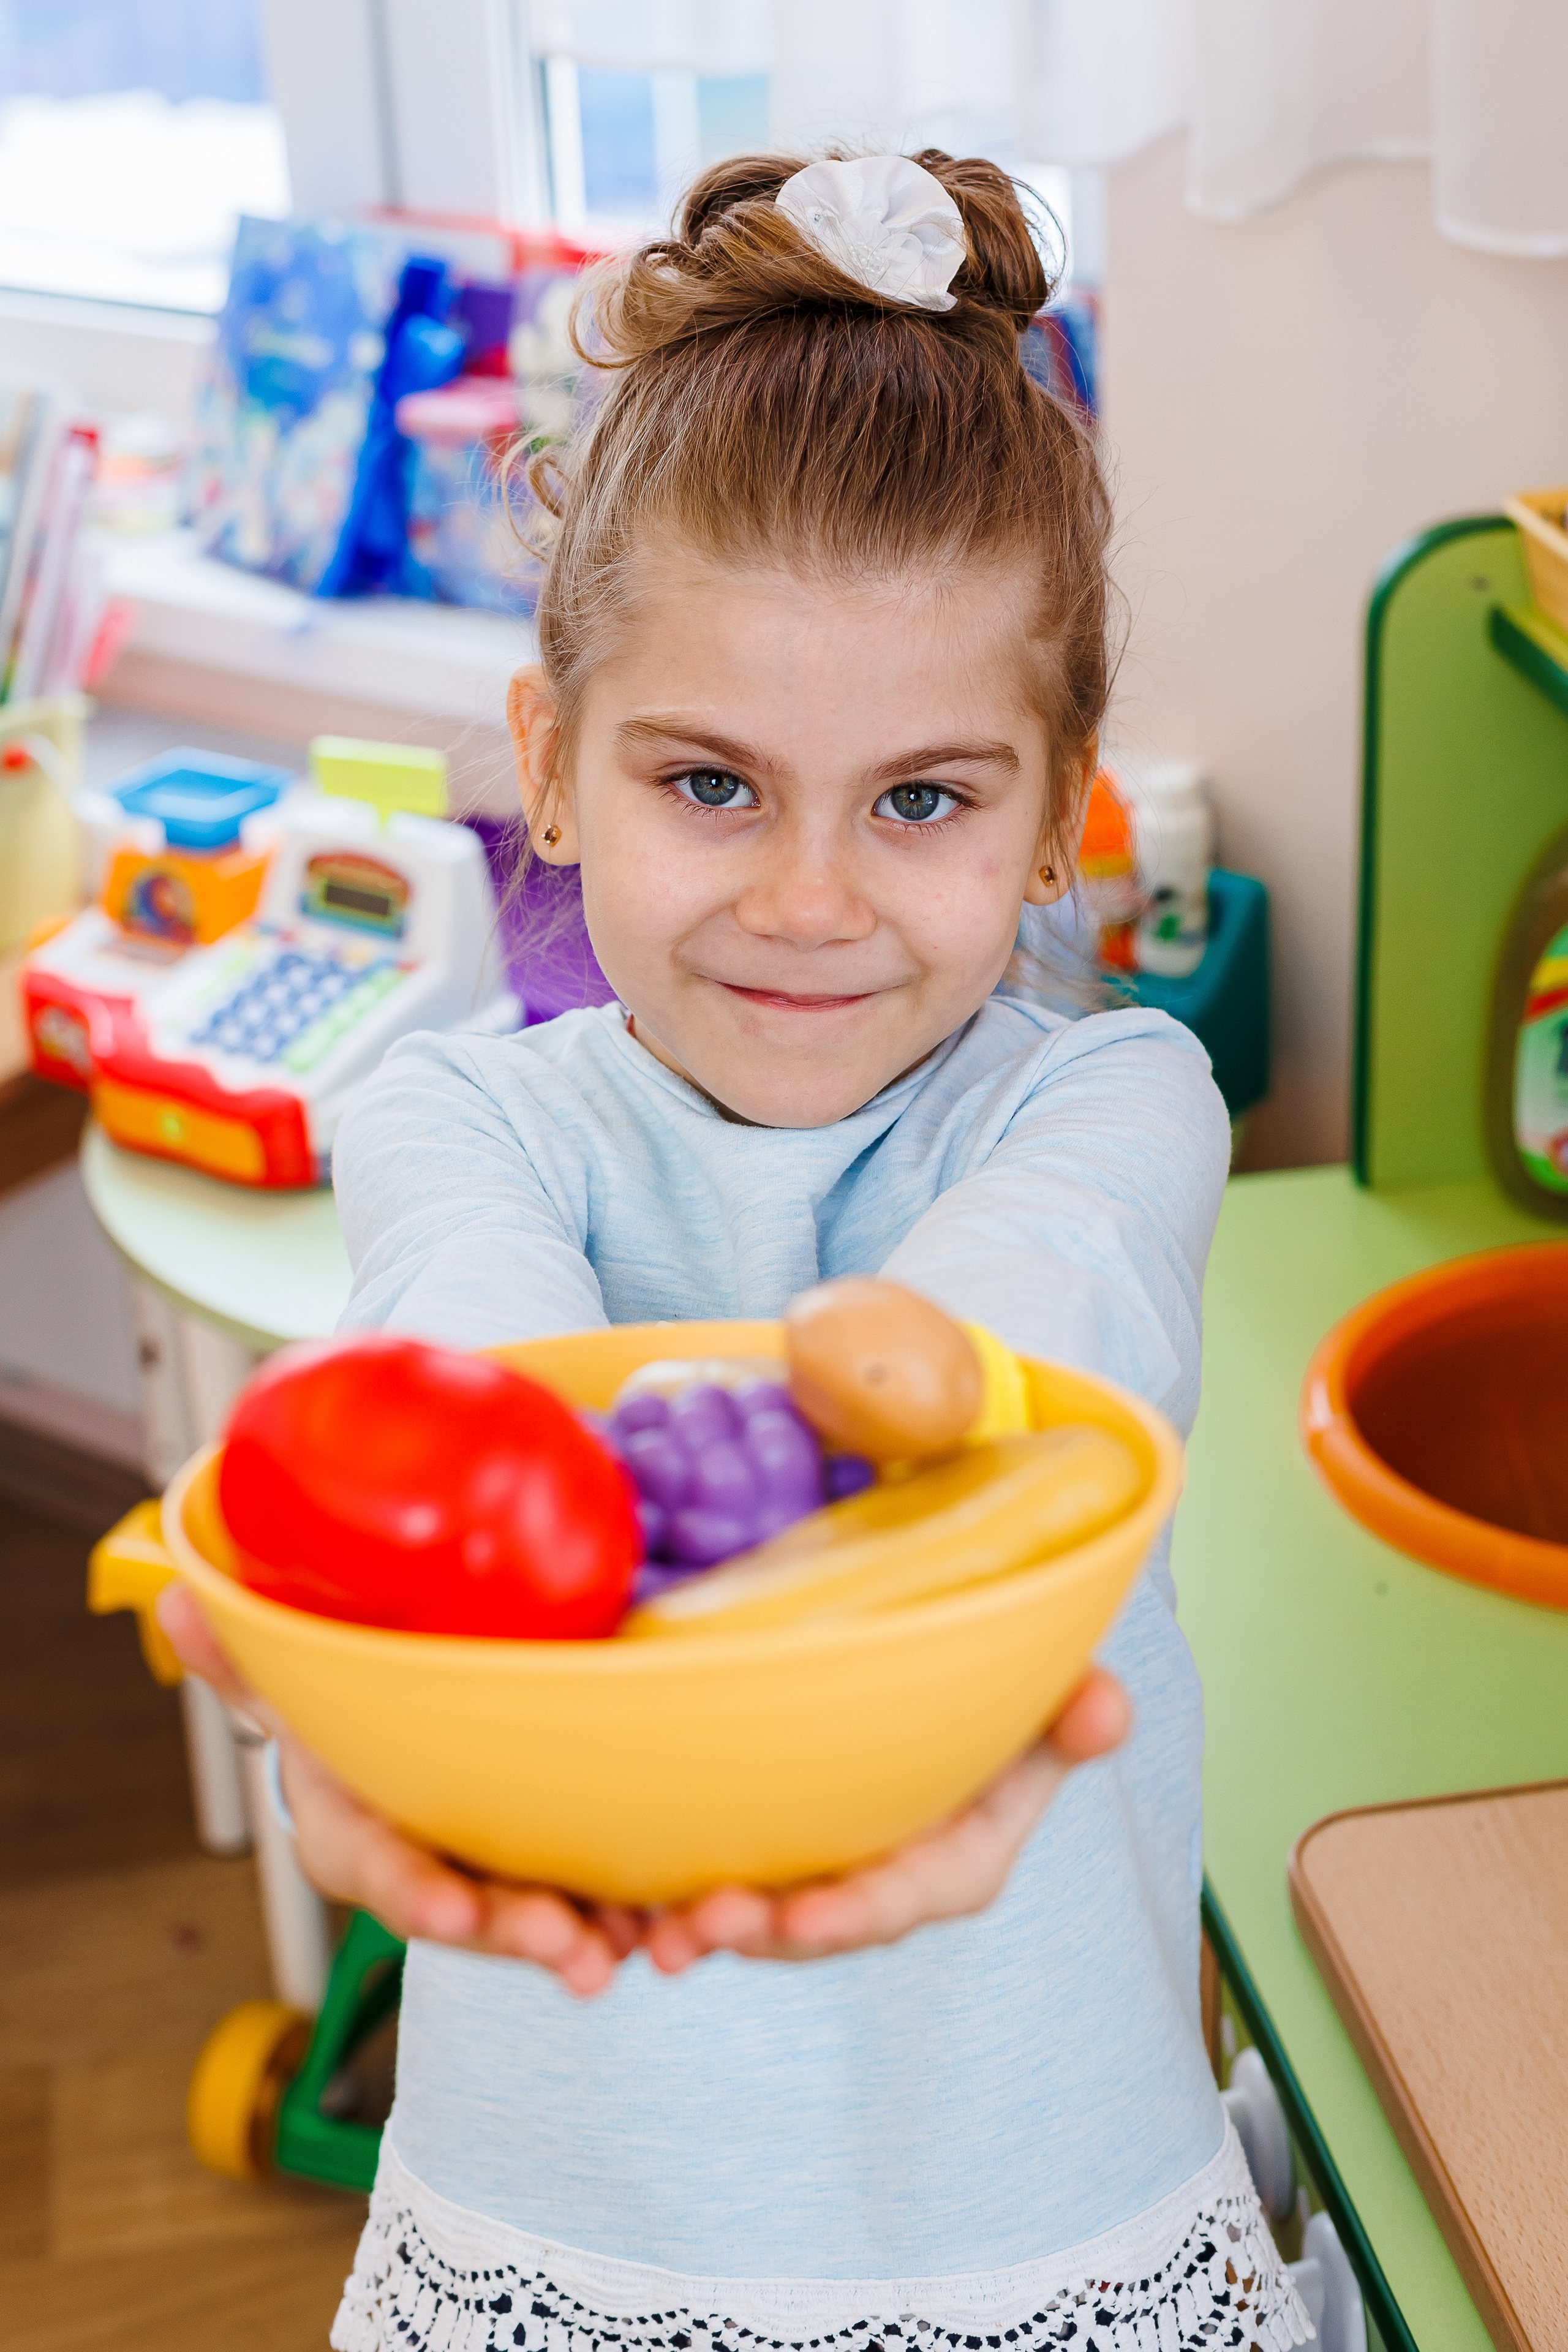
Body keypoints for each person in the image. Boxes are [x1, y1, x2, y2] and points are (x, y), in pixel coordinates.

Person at [162, 149, 1308, 2352]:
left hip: (1037, 2214)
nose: (807, 899)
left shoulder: (1116, 1096)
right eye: (709, 783)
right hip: (577, 2237)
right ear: (554, 768)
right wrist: (362, 1649)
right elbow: (468, 1403)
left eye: (921, 799)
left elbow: (1005, 1348)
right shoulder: (448, 1114)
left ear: (1062, 802)